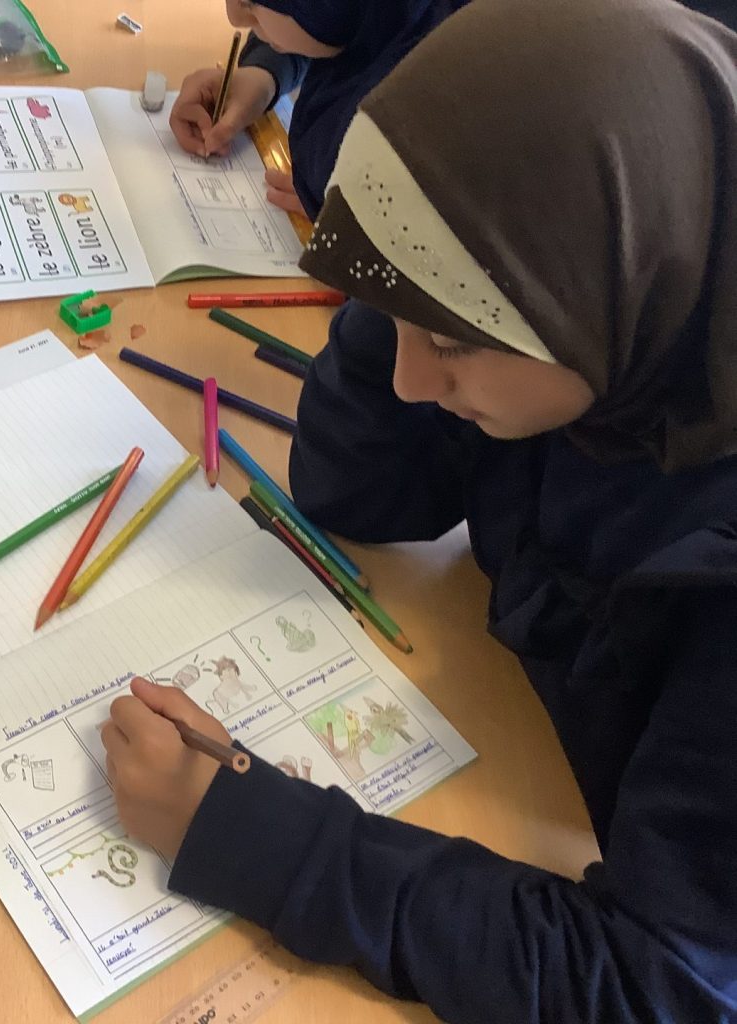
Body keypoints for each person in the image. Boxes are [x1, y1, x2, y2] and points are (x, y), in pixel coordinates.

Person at [102, 1, 737, 1021]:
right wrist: (399, 283)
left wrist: (264, 840)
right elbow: (351, 490)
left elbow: (656, 986)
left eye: (448, 342)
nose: (407, 383)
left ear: (592, 296)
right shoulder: (619, 335)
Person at [171, 0, 737, 217]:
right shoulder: (394, 22)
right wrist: (264, 73)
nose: (234, 17)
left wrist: (363, 209)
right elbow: (346, 25)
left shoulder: (472, 98)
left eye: (255, 2)